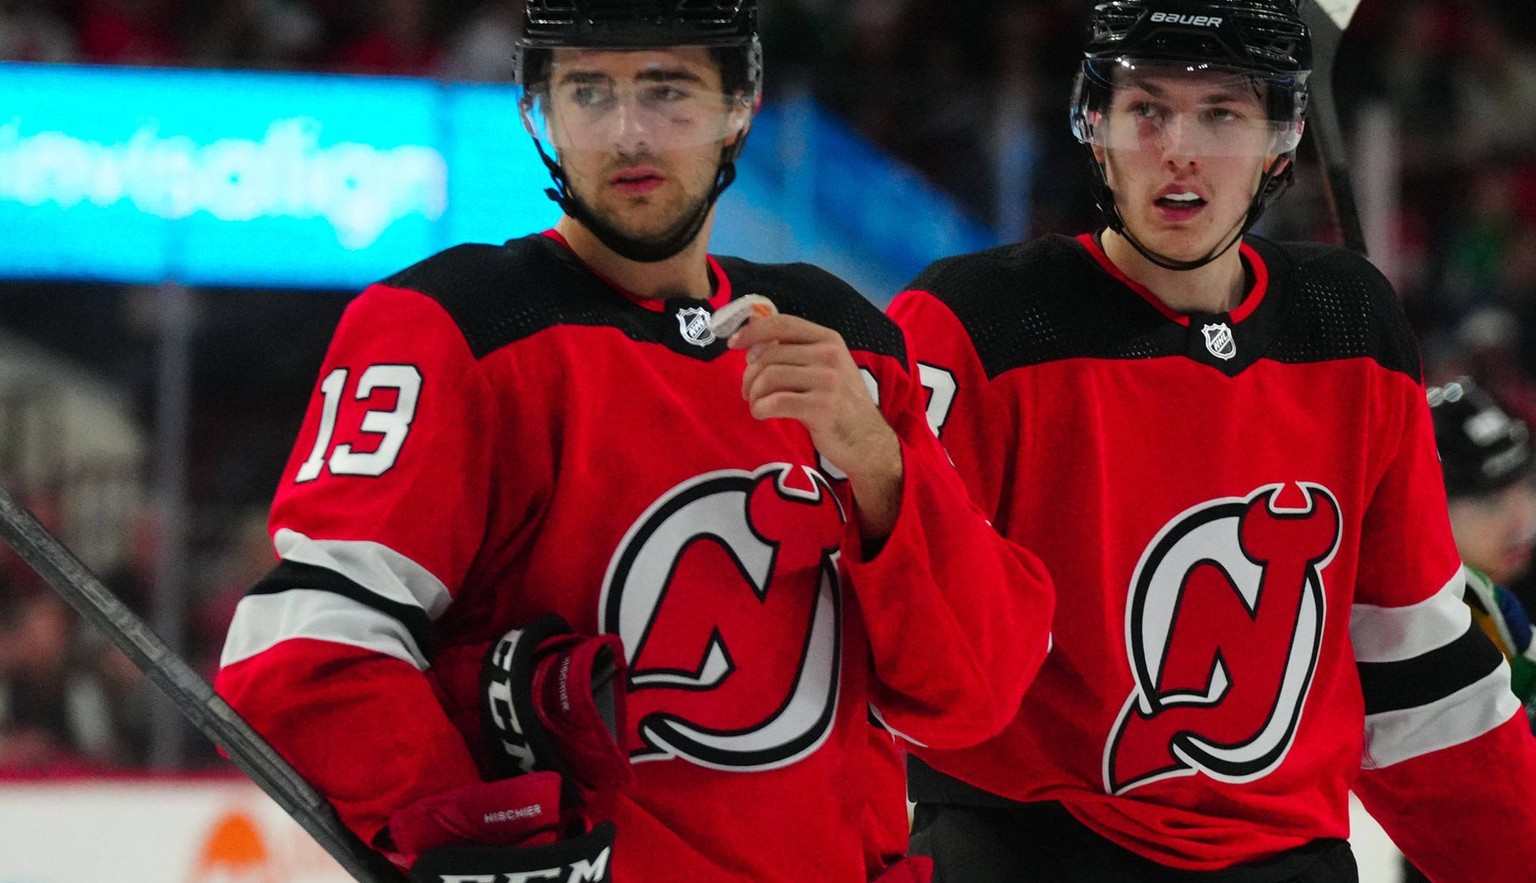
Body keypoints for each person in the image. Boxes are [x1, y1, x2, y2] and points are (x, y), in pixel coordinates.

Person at [215, 2, 1054, 882]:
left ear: (741, 106)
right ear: (539, 110)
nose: (627, 134)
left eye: (668, 92)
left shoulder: (845, 341)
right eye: (589, 92)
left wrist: (877, 465)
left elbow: (977, 693)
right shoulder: (452, 330)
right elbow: (306, 646)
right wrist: (486, 838)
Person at [887, 2, 1536, 881]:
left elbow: (1418, 688)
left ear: (1282, 139)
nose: (1179, 148)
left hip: (1287, 858)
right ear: (1096, 125)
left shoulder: (1352, 324)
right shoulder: (974, 326)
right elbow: (905, 659)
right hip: (1031, 851)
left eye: (1223, 113)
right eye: (1146, 108)